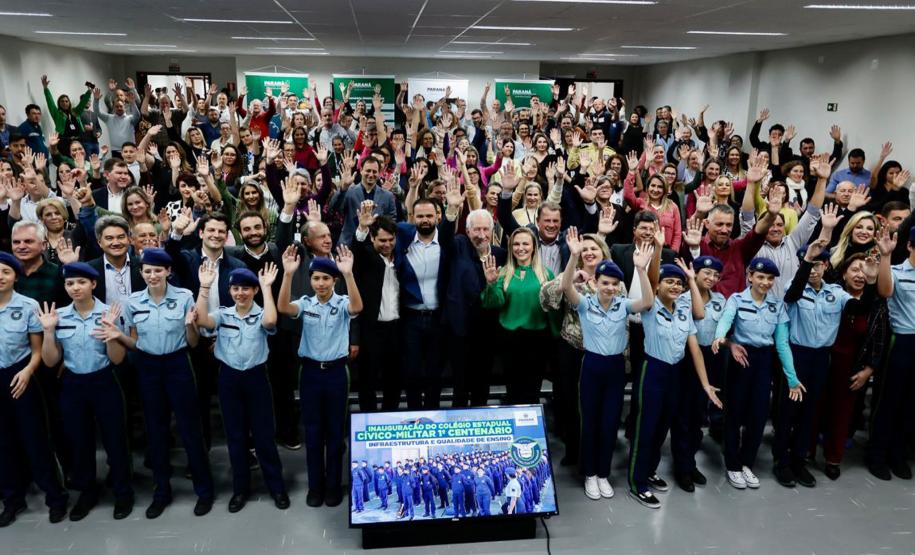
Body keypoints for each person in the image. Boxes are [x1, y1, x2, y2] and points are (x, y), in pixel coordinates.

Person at [107, 248, 214, 519]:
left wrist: (191, 325)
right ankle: (161, 491)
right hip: (148, 367)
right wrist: (117, 336)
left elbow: (192, 342)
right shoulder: (133, 302)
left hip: (178, 364)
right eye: (147, 271)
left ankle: (204, 490)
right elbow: (135, 342)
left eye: (158, 270)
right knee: (155, 431)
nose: (152, 275)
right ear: (141, 273)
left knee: (191, 429)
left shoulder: (184, 297)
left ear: (168, 271)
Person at [561, 227, 654, 501]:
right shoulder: (585, 304)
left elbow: (647, 301)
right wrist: (573, 256)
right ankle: (590, 473)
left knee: (610, 423)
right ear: (596, 282)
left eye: (614, 283)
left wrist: (641, 270)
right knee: (590, 422)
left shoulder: (623, 305)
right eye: (605, 282)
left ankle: (603, 473)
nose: (610, 288)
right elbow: (566, 287)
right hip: (591, 368)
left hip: (615, 370)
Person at [37, 262, 134, 521]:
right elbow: (50, 360)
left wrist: (112, 333)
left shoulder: (109, 313)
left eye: (81, 282)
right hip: (73, 384)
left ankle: (123, 492)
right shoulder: (58, 316)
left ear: (93, 284)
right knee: (79, 441)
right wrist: (48, 332)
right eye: (70, 283)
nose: (75, 288)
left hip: (104, 381)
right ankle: (87, 491)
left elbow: (117, 359)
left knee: (115, 439)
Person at [195, 263, 290, 512]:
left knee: (264, 437)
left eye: (246, 288)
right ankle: (240, 489)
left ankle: (276, 487)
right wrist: (204, 286)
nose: (240, 293)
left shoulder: (261, 313)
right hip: (229, 379)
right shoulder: (223, 314)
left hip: (256, 379)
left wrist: (267, 287)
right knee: (235, 438)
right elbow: (202, 320)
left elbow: (270, 321)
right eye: (236, 288)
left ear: (254, 291)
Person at [775, 240, 869, 488]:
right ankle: (781, 462)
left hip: (821, 358)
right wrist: (806, 263)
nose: (814, 270)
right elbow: (791, 295)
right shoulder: (794, 286)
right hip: (797, 355)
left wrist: (870, 278)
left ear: (826, 265)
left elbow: (861, 308)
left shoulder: (836, 293)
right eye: (809, 264)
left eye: (819, 264)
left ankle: (798, 461)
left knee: (810, 412)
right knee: (788, 411)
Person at [628, 262, 722, 509]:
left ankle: (649, 470)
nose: (675, 286)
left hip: (675, 373)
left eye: (678, 283)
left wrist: (705, 385)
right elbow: (648, 285)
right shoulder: (650, 306)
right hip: (653, 371)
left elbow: (695, 350)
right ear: (658, 284)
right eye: (669, 281)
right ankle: (637, 483)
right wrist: (642, 268)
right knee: (645, 429)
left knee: (662, 429)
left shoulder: (683, 309)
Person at [277, 247, 363, 508]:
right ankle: (316, 486)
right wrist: (288, 275)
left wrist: (348, 274)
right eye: (316, 278)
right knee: (313, 433)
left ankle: (333, 486)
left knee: (335, 434)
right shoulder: (305, 303)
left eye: (326, 278)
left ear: (334, 281)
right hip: (311, 373)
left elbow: (358, 306)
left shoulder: (342, 303)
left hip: (337, 372)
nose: (321, 283)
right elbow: (283, 307)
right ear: (311, 280)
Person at [712, 257, 803, 491]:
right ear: (750, 276)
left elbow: (782, 344)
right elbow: (726, 320)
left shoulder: (777, 305)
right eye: (760, 277)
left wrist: (792, 378)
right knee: (734, 414)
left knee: (758, 415)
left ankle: (746, 463)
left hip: (764, 360)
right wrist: (720, 337)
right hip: (740, 359)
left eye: (770, 278)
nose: (765, 282)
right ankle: (732, 464)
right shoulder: (737, 299)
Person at [0, 252, 69, 527]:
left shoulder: (28, 306)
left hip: (21, 376)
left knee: (36, 439)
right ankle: (12, 499)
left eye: (5, 271)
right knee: (3, 443)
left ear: (16, 276)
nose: (0, 277)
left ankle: (55, 497)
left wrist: (28, 371)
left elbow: (37, 350)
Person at [671, 256, 725, 492]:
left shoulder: (721, 300)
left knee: (698, 415)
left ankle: (690, 462)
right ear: (696, 274)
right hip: (687, 358)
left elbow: (722, 331)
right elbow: (698, 315)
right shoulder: (682, 299)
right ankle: (681, 467)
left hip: (711, 359)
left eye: (715, 275)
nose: (711, 278)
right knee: (683, 416)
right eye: (707, 273)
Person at [481, 227, 554, 405]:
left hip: (537, 339)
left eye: (525, 243)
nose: (521, 248)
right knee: (513, 388)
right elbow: (493, 303)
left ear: (534, 247)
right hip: (510, 339)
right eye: (516, 244)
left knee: (533, 389)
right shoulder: (503, 272)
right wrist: (490, 284)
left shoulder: (546, 274)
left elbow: (552, 309)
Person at [870, 225, 915, 480]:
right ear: (909, 246)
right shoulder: (896, 271)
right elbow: (885, 291)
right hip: (902, 341)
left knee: (911, 405)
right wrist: (885, 256)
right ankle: (877, 455)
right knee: (889, 402)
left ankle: (898, 454)